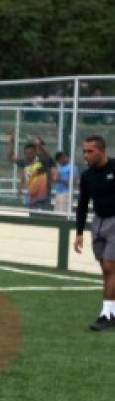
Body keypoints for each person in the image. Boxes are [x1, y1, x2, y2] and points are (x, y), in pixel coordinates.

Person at [73, 135, 115, 331]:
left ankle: (106, 315)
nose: (86, 155)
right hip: (97, 222)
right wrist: (79, 232)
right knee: (106, 271)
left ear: (102, 151)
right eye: (84, 151)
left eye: (90, 151)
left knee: (110, 267)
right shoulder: (87, 175)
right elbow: (82, 204)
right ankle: (112, 312)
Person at [7, 133, 53, 209]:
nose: (29, 155)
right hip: (32, 195)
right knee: (33, 217)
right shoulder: (25, 162)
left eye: (31, 153)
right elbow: (10, 157)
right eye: (27, 153)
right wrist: (11, 143)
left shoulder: (42, 161)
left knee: (44, 217)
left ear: (35, 152)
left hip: (43, 196)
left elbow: (47, 156)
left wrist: (39, 146)